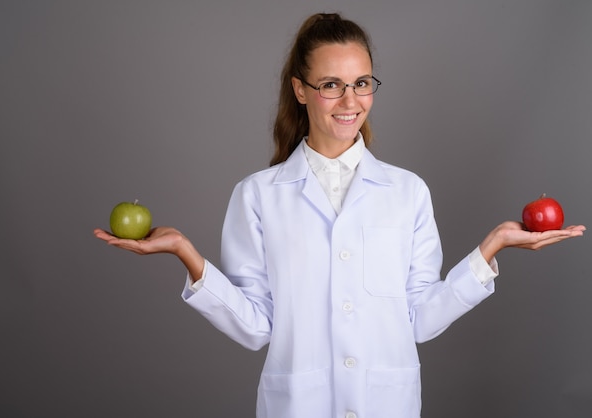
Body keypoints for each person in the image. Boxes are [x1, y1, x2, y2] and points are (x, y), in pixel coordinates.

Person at [94, 12, 585, 418]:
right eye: (331, 84)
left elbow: (419, 320)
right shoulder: (258, 196)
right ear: (301, 89)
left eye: (362, 83)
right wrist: (185, 252)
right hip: (297, 407)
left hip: (387, 405)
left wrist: (491, 247)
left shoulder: (407, 191)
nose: (351, 102)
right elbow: (256, 326)